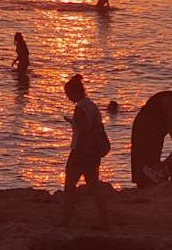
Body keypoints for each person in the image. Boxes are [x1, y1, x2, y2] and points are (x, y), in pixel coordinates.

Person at [60, 74, 110, 230]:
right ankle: (105, 220)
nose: (67, 97)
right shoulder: (91, 105)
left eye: (68, 94)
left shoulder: (80, 108)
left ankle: (66, 220)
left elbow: (84, 133)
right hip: (93, 153)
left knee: (69, 186)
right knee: (94, 187)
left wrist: (79, 155)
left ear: (74, 92)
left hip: (81, 152)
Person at [130, 89, 172, 188]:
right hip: (150, 129)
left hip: (141, 124)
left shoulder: (166, 95)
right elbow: (170, 126)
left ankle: (142, 180)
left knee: (140, 153)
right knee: (151, 154)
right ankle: (148, 181)